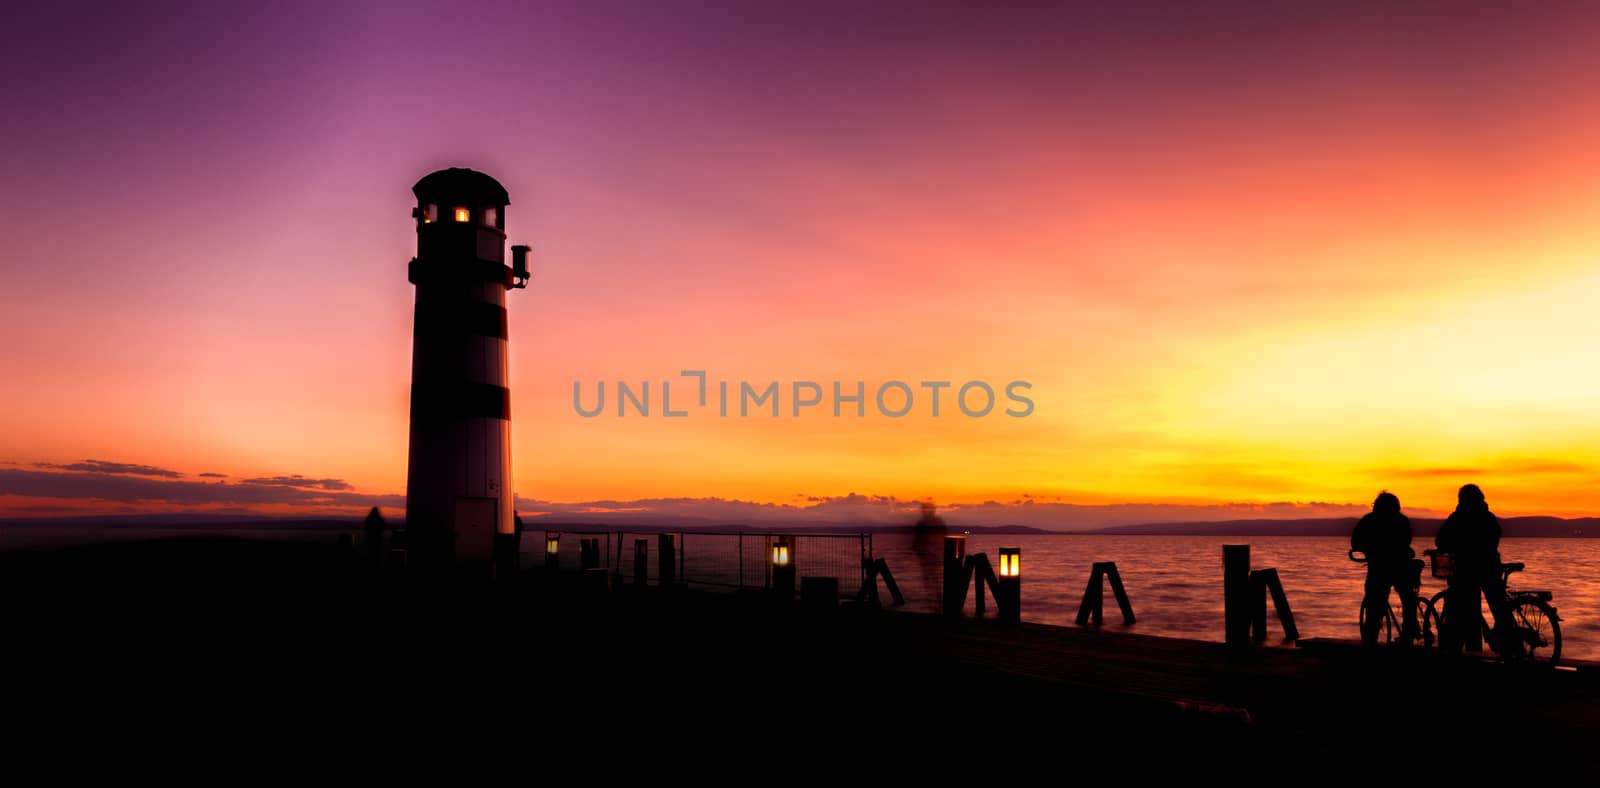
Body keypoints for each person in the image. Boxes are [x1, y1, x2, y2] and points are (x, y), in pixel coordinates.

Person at [1435, 483, 1511, 655]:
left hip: (1466, 569)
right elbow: (1494, 538)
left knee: (1463, 606)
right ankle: (1509, 640)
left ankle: (1468, 648)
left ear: (1461, 500)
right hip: (1491, 566)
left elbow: (1441, 541)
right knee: (1498, 606)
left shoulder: (1458, 517)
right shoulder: (1488, 517)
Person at [1352, 491, 1418, 646]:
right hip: (1401, 564)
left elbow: (1355, 541)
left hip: (1379, 566)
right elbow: (1406, 541)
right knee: (1407, 597)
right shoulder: (1402, 520)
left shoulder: (1369, 520)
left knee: (1374, 602)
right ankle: (1409, 630)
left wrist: (1369, 549)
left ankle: (1370, 637)